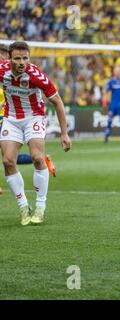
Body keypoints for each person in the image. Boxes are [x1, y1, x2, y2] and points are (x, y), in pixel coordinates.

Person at [0, 41, 72, 225]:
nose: (22, 62)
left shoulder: (36, 76)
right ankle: (24, 207)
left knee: (37, 158)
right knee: (8, 161)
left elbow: (58, 102)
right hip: (11, 117)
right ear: (9, 59)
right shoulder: (2, 70)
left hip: (34, 117)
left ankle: (40, 207)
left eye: (25, 58)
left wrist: (64, 133)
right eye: (17, 58)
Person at [0, 44, 56, 195]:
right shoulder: (3, 73)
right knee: (8, 159)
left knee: (9, 158)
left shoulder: (28, 74)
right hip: (10, 117)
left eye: (3, 55)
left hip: (11, 116)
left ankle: (41, 159)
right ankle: (42, 158)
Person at [102, 65, 120, 144]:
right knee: (109, 120)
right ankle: (106, 136)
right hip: (113, 105)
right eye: (116, 71)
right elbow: (105, 91)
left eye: (118, 71)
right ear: (114, 72)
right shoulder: (111, 82)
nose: (117, 73)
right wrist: (104, 102)